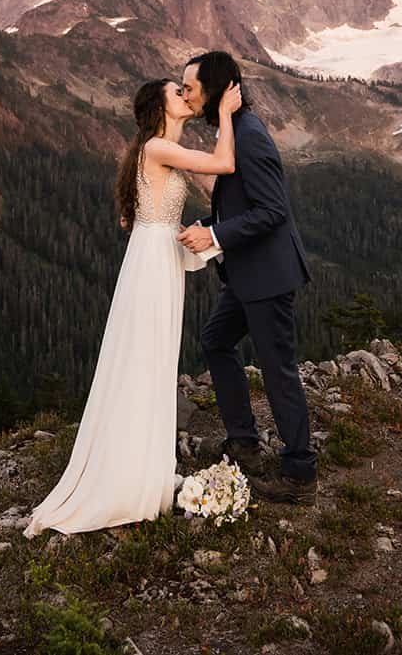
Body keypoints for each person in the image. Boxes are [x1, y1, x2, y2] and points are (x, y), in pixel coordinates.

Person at [24, 76, 243, 537]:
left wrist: (198, 240)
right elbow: (224, 162)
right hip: (151, 267)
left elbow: (154, 218)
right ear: (159, 107)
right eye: (176, 92)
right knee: (147, 361)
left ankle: (143, 466)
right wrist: (224, 111)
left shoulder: (152, 148)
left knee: (151, 361)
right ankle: (133, 474)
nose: (185, 96)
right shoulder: (159, 148)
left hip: (154, 258)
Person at [176, 50, 317, 505]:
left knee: (278, 371)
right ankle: (244, 441)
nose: (184, 95)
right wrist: (208, 225)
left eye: (190, 88)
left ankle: (300, 473)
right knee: (217, 339)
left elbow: (272, 211)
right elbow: (238, 204)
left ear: (216, 90)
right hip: (245, 273)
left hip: (268, 276)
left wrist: (215, 233)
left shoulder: (250, 136)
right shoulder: (233, 131)